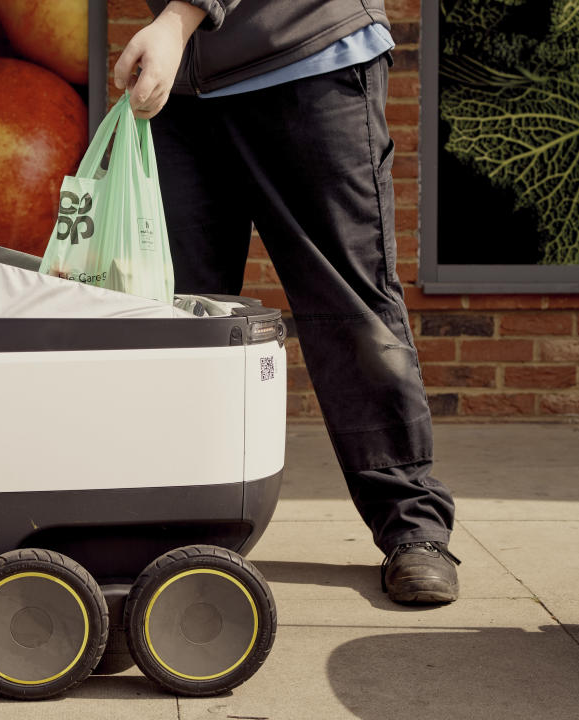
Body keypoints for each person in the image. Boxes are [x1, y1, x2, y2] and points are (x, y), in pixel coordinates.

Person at [114, 0, 460, 604]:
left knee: (349, 304)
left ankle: (413, 526)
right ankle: (176, 530)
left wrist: (175, 22)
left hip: (305, 61)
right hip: (188, 87)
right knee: (178, 314)